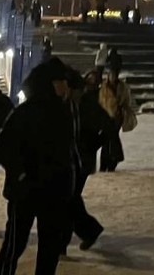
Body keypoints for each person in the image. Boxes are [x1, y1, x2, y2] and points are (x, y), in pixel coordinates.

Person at [0, 57, 76, 274]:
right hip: (25, 192)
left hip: (54, 192)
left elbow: (67, 151)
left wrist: (68, 182)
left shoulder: (62, 112)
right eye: (62, 81)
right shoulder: (25, 112)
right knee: (15, 244)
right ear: (51, 82)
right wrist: (21, 174)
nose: (65, 86)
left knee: (49, 249)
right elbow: (5, 147)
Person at [63, 68, 107, 254]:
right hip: (67, 160)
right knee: (69, 200)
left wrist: (91, 145)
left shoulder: (88, 104)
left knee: (68, 200)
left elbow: (109, 126)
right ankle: (88, 230)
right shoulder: (65, 105)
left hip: (81, 161)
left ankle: (84, 232)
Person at [98, 68, 135, 171]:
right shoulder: (103, 87)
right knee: (107, 140)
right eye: (111, 75)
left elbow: (126, 100)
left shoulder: (122, 87)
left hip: (118, 116)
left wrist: (122, 108)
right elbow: (100, 101)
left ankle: (111, 161)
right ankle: (108, 162)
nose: (113, 77)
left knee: (113, 137)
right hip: (105, 115)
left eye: (115, 75)